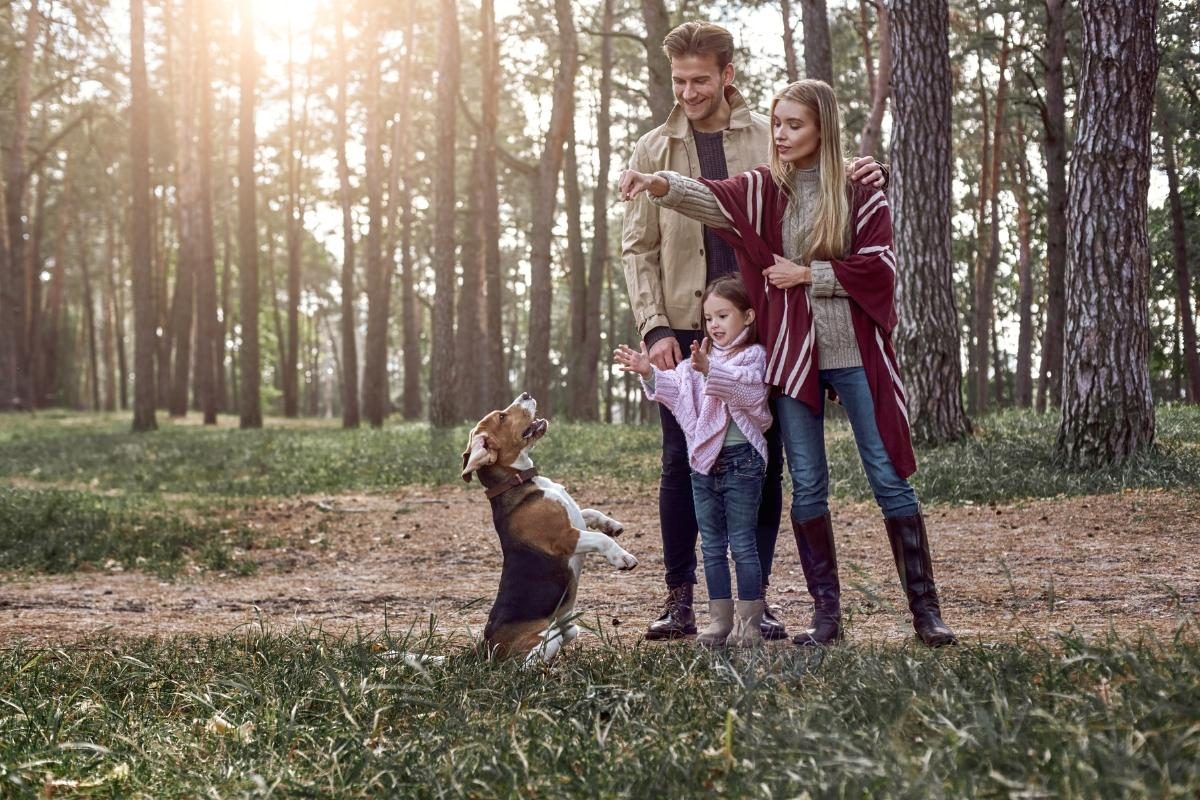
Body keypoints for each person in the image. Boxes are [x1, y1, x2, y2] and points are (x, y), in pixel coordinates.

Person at [618, 79, 957, 648]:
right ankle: (827, 617)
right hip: (793, 361)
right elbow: (710, 195)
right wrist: (656, 183)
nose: (781, 134)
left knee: (887, 478)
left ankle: (926, 612)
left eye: (794, 124)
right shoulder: (765, 189)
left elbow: (881, 269)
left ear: (822, 127)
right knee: (809, 485)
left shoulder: (857, 190)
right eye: (776, 123)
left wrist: (809, 275)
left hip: (855, 355)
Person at [614, 275, 772, 648]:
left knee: (743, 544)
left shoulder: (755, 356)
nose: (714, 326)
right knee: (712, 546)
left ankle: (749, 622)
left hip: (742, 462)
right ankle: (720, 621)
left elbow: (748, 391)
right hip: (704, 465)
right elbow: (675, 392)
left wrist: (710, 370)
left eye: (723, 316)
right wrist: (649, 372)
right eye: (709, 319)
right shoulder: (698, 360)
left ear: (748, 316)